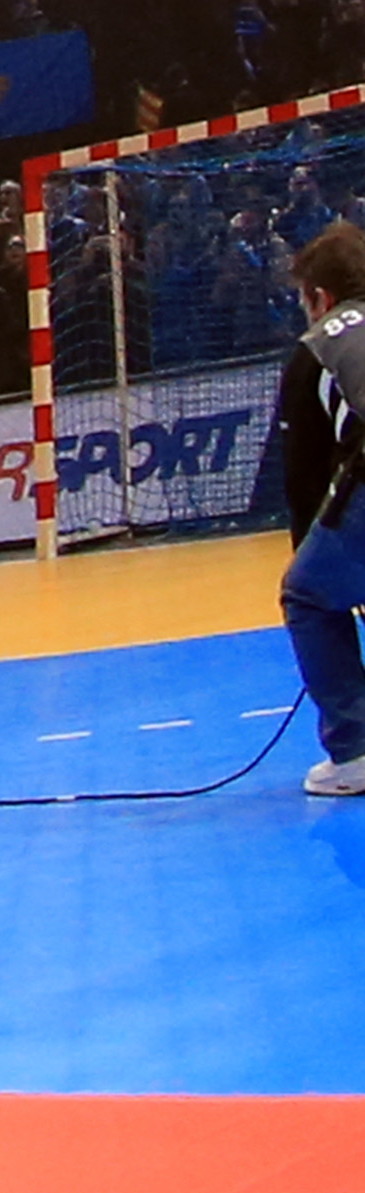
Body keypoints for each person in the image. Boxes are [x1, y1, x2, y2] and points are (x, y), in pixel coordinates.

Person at [263, 222, 365, 801]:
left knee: (308, 591)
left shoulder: (320, 346)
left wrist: (315, 559)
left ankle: (355, 749)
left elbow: (304, 482)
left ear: (319, 297)